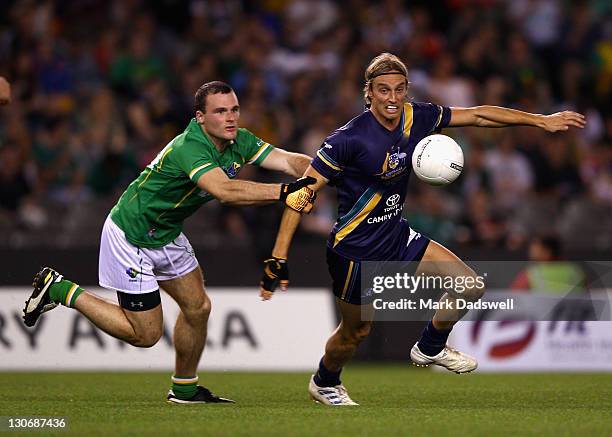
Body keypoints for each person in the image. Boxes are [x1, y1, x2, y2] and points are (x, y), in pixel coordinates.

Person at [260, 53, 586, 406]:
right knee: (356, 333)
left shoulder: (418, 116)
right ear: (367, 92)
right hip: (355, 250)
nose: (392, 98)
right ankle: (324, 381)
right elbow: (302, 192)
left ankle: (429, 347)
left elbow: (477, 114)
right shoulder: (347, 139)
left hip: (397, 235)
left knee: (469, 285)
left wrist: (540, 121)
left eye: (399, 89)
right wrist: (278, 255)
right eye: (383, 90)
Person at [23, 81, 316, 404]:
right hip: (132, 232)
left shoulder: (238, 141)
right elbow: (225, 192)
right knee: (145, 334)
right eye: (220, 111)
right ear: (200, 118)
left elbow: (290, 161)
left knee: (198, 307)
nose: (231, 117)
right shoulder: (189, 147)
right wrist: (287, 192)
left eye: (234, 109)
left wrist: (319, 173)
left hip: (166, 232)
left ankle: (184, 389)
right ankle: (60, 289)